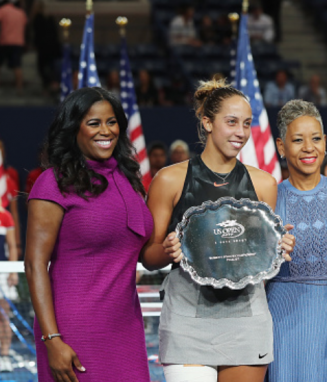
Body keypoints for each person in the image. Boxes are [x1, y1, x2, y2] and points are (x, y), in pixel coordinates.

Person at [139, 78, 295, 382]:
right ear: (207, 122)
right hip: (188, 319)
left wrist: (277, 248)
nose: (241, 133)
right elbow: (148, 256)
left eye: (247, 124)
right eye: (232, 122)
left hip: (247, 320)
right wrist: (168, 250)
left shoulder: (264, 183)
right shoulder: (169, 180)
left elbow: (260, 261)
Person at [25, 87, 152, 381]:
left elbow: (143, 251)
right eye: (93, 123)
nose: (105, 130)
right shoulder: (53, 182)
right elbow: (34, 265)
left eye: (112, 121)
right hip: (73, 328)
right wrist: (52, 338)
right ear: (74, 129)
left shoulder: (128, 179)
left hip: (126, 327)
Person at [265, 100, 327, 381]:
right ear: (281, 147)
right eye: (297, 140)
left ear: (325, 142)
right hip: (283, 322)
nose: (308, 147)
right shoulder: (268, 199)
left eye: (315, 139)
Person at [0, 205, 17, 373]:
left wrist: (13, 271)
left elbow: (12, 246)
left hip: (2, 272)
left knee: (3, 316)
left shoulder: (5, 216)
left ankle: (4, 356)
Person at [0, 0, 27, 93]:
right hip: (18, 42)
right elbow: (25, 23)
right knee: (17, 65)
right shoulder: (21, 13)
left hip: (4, 41)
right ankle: (19, 88)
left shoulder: (2, 10)